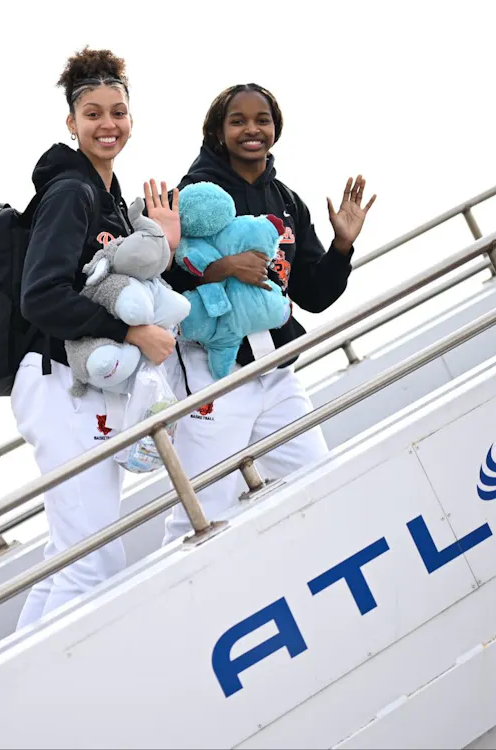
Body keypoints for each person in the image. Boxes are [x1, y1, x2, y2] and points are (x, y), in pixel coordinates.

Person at [161, 83, 377, 544]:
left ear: (276, 128)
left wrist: (342, 247)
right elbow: (162, 278)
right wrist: (219, 269)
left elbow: (314, 293)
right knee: (202, 513)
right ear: (218, 132)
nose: (252, 129)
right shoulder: (192, 195)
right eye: (237, 120)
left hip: (276, 369)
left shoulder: (287, 201)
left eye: (262, 119)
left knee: (319, 482)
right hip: (211, 368)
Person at [14, 47, 179, 629]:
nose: (107, 125)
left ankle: (15, 693)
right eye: (93, 114)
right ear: (71, 122)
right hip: (56, 380)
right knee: (92, 562)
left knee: (69, 559)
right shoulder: (70, 192)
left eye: (117, 112)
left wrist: (167, 242)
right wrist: (128, 329)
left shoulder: (105, 193)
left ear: (131, 117)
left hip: (77, 382)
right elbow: (41, 296)